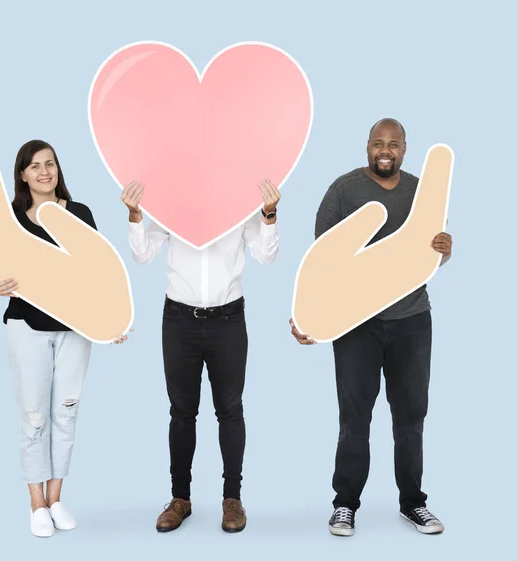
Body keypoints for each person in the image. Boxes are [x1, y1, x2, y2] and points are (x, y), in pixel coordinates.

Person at [291, 119, 452, 536]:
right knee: (354, 418)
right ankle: (345, 504)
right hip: (354, 324)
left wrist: (443, 250)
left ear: (404, 149)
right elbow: (320, 260)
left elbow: (428, 254)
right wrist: (310, 313)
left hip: (413, 320)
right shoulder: (344, 190)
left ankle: (413, 503)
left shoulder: (422, 190)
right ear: (367, 147)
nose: (386, 150)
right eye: (379, 143)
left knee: (411, 416)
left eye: (394, 144)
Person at [0, 139, 128, 537]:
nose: (44, 172)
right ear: (23, 174)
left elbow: (99, 274)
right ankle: (36, 503)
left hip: (75, 330)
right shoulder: (11, 217)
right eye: (35, 166)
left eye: (50, 164)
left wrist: (110, 320)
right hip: (26, 328)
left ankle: (57, 497)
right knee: (33, 416)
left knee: (66, 412)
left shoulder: (79, 214)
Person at [121, 179, 280, 533]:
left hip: (228, 320)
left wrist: (269, 214)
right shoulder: (172, 201)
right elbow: (144, 254)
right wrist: (134, 215)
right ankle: (180, 499)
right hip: (179, 320)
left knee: (230, 410)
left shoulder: (241, 203)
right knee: (181, 412)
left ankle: (232, 500)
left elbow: (266, 256)